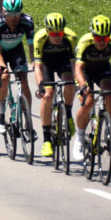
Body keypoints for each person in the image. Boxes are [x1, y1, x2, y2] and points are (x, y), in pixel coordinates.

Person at [71, 15, 111, 162]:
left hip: (103, 69)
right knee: (88, 101)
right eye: (98, 38)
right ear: (93, 35)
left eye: (106, 38)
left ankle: (109, 129)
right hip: (85, 72)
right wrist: (83, 85)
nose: (102, 42)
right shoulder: (85, 42)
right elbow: (77, 68)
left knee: (108, 93)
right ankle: (79, 138)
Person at [33, 12, 77, 159]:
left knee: (70, 85)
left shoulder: (70, 37)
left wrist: (77, 81)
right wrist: (40, 85)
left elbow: (73, 64)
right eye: (53, 33)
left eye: (59, 33)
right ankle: (46, 140)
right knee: (48, 94)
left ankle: (68, 115)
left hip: (62, 61)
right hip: (46, 64)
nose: (57, 37)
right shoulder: (40, 38)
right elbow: (37, 67)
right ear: (47, 31)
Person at [0, 0, 35, 134]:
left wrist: (34, 62)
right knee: (3, 77)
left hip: (16, 50)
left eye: (17, 14)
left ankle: (28, 121)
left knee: (24, 80)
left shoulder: (27, 22)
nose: (14, 18)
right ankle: (1, 112)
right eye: (10, 15)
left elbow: (31, 45)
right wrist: (2, 66)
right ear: (4, 12)